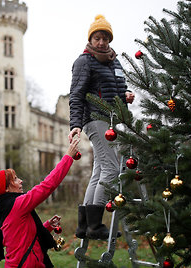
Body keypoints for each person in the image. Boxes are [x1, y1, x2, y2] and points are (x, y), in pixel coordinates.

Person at [68, 14, 135, 240]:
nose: (101, 42)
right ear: (91, 38)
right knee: (112, 169)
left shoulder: (114, 61)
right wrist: (75, 125)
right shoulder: (84, 61)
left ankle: (85, 226)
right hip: (95, 119)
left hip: (111, 120)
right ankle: (96, 226)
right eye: (97, 37)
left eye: (105, 38)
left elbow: (118, 88)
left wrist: (125, 96)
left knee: (99, 171)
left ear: (109, 39)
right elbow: (76, 95)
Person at [0, 138, 80, 267]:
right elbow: (47, 186)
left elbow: (21, 236)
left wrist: (48, 226)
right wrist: (68, 157)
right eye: (15, 179)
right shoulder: (17, 204)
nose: (20, 181)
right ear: (7, 188)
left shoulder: (5, 208)